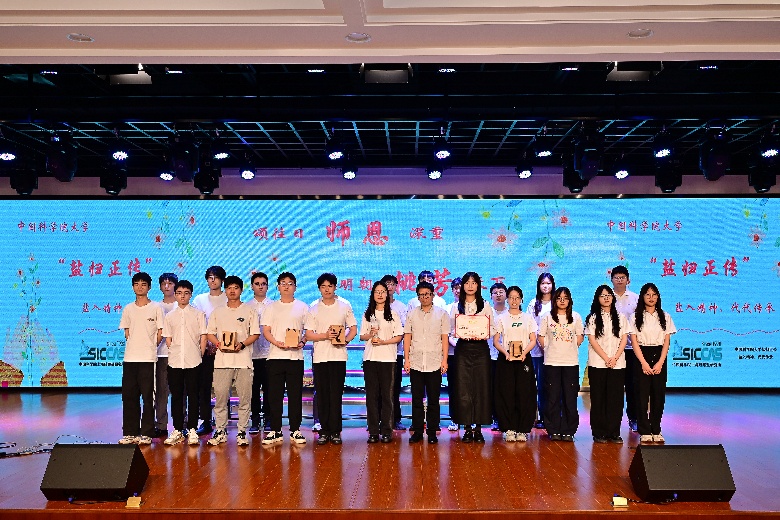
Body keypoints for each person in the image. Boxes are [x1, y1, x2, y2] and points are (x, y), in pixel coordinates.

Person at [205, 276, 260, 446]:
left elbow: (255, 334)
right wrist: (218, 344)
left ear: (241, 290)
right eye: (229, 288)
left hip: (243, 362)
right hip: (222, 362)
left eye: (236, 287)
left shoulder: (249, 311)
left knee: (245, 399)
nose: (232, 291)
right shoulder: (218, 312)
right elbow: (210, 333)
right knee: (220, 398)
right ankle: (220, 430)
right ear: (225, 290)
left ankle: (242, 431)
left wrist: (242, 344)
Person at [305, 273, 357, 445]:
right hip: (320, 357)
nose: (327, 289)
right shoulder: (313, 308)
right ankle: (324, 431)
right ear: (319, 288)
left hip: (338, 356)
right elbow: (309, 334)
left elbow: (353, 328)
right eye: (323, 286)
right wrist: (326, 336)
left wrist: (345, 341)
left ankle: (335, 431)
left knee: (336, 394)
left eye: (330, 286)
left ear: (335, 287)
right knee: (322, 395)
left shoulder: (344, 306)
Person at [261, 272, 309, 446]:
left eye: (290, 283)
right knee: (274, 396)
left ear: (295, 287)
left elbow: (308, 330)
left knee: (295, 395)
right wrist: (277, 343)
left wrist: (302, 342)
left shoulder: (303, 307)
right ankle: (275, 430)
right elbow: (266, 330)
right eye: (283, 283)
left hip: (295, 358)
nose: (286, 286)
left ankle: (295, 429)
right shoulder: (271, 307)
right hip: (275, 357)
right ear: (278, 286)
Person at [118, 272, 165, 445]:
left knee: (148, 397)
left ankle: (146, 433)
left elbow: (161, 331)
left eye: (143, 284)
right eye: (136, 284)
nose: (140, 287)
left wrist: (151, 346)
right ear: (133, 287)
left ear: (149, 287)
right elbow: (127, 332)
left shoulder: (156, 307)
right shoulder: (128, 308)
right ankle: (130, 432)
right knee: (129, 396)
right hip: (130, 359)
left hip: (148, 359)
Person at [449, 272, 496, 443]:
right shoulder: (456, 306)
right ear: (462, 286)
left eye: (473, 282)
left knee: (481, 387)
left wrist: (482, 334)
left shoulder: (485, 305)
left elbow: (492, 328)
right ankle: (467, 428)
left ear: (478, 286)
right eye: (467, 283)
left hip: (481, 349)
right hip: (462, 349)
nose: (470, 286)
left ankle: (478, 428)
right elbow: (451, 330)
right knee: (464, 388)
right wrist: (461, 334)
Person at [403, 281, 450, 444]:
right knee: (416, 399)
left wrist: (445, 360)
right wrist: (406, 359)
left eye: (427, 294)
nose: (424, 297)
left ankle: (432, 432)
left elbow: (445, 338)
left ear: (433, 295)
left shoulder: (442, 314)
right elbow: (407, 336)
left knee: (433, 400)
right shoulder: (411, 314)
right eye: (421, 295)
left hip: (434, 362)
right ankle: (417, 431)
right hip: (416, 362)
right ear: (418, 297)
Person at [630, 283, 676, 444]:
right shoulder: (635, 317)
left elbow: (667, 341)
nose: (651, 298)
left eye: (654, 294)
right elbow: (634, 341)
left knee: (658, 395)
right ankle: (644, 430)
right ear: (642, 297)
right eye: (648, 294)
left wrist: (660, 362)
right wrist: (643, 362)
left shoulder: (665, 316)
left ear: (658, 297)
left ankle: (656, 429)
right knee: (641, 395)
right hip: (641, 355)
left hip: (659, 356)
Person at [162, 280, 207, 446]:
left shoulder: (198, 314)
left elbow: (203, 336)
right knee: (176, 397)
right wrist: (175, 351)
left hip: (194, 361)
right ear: (175, 295)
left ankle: (193, 429)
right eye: (179, 293)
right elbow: (168, 339)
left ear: (190, 295)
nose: (182, 296)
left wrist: (199, 354)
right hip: (175, 361)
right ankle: (178, 430)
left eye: (186, 293)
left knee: (193, 396)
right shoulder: (170, 316)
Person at [360, 281, 404, 444]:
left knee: (387, 396)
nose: (380, 294)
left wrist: (384, 342)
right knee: (371, 396)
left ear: (387, 294)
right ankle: (373, 431)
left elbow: (399, 336)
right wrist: (370, 334)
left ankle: (387, 430)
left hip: (388, 359)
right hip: (370, 359)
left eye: (382, 291)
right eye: (377, 291)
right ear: (372, 294)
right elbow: (362, 336)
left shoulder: (393, 314)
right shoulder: (367, 314)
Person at [493, 286, 538, 442]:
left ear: (521, 299)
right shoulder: (501, 318)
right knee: (506, 393)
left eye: (517, 297)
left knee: (524, 393)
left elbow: (533, 340)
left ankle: (522, 429)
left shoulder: (528, 318)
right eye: (511, 297)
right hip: (506, 359)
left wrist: (524, 353)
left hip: (524, 359)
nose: (514, 300)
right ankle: (509, 428)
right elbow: (496, 341)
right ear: (507, 299)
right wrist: (506, 353)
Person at [538, 287, 583, 442]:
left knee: (570, 397)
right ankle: (553, 429)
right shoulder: (547, 317)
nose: (562, 301)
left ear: (570, 300)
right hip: (552, 362)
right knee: (552, 397)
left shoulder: (575, 316)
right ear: (554, 300)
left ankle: (569, 430)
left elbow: (580, 336)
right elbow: (541, 336)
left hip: (570, 362)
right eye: (559, 298)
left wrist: (570, 348)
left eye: (565, 298)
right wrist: (549, 348)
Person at [585, 285, 628, 444]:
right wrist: (606, 357)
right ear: (598, 299)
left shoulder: (621, 317)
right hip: (598, 363)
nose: (606, 298)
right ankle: (599, 432)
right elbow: (592, 340)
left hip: (617, 364)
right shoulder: (593, 318)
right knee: (598, 398)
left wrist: (615, 357)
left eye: (609, 295)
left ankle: (614, 432)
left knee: (615, 399)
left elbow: (624, 339)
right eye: (603, 295)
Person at [191, 266, 228, 436]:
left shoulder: (228, 298)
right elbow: (196, 324)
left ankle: (222, 423)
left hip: (224, 349)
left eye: (216, 277)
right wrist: (206, 343)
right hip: (204, 350)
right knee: (203, 387)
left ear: (222, 280)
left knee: (223, 388)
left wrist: (218, 343)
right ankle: (205, 421)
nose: (213, 280)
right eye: (210, 277)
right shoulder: (199, 300)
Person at [244, 272, 274, 435]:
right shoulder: (246, 307)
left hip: (270, 354)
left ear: (267, 286)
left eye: (263, 284)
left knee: (270, 389)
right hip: (251, 355)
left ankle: (269, 419)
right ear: (252, 286)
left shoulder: (274, 306)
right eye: (257, 284)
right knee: (253, 390)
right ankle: (255, 420)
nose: (260, 286)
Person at [611, 266, 639, 432]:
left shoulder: (635, 298)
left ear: (628, 280)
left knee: (632, 385)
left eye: (622, 277)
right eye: (617, 277)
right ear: (611, 279)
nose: (620, 280)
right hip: (612, 349)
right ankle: (613, 420)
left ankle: (633, 418)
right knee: (614, 386)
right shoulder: (607, 297)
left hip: (631, 348)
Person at [526, 272, 555, 430]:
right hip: (537, 351)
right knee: (536, 385)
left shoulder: (557, 302)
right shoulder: (533, 304)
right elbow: (531, 326)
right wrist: (541, 343)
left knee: (550, 385)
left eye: (548, 283)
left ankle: (548, 417)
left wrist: (550, 347)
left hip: (554, 352)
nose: (546, 286)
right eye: (543, 283)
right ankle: (534, 417)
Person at [381, 274, 408, 431]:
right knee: (379, 389)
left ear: (396, 287)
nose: (389, 287)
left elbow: (405, 329)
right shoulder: (374, 306)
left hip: (395, 353)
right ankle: (379, 420)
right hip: (378, 354)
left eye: (392, 284)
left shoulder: (401, 307)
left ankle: (395, 419)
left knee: (395, 387)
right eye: (387, 284)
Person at [154, 272, 178, 439]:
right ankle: (161, 425)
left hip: (180, 355)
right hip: (161, 355)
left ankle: (182, 425)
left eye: (170, 283)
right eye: (164, 283)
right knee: (161, 392)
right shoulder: (156, 307)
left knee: (180, 392)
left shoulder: (182, 305)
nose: (167, 286)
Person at [488, 282, 509, 431]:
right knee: (491, 388)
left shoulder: (512, 313)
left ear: (506, 295)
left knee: (504, 388)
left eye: (501, 292)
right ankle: (493, 418)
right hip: (489, 355)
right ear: (491, 296)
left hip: (507, 356)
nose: (498, 295)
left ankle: (504, 418)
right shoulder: (487, 313)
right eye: (495, 292)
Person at [445, 277, 461, 431]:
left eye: (461, 287)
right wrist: (454, 343)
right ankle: (454, 419)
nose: (458, 290)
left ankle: (470, 420)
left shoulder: (473, 307)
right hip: (452, 353)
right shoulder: (448, 307)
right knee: (453, 387)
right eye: (455, 288)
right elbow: (446, 331)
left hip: (469, 353)